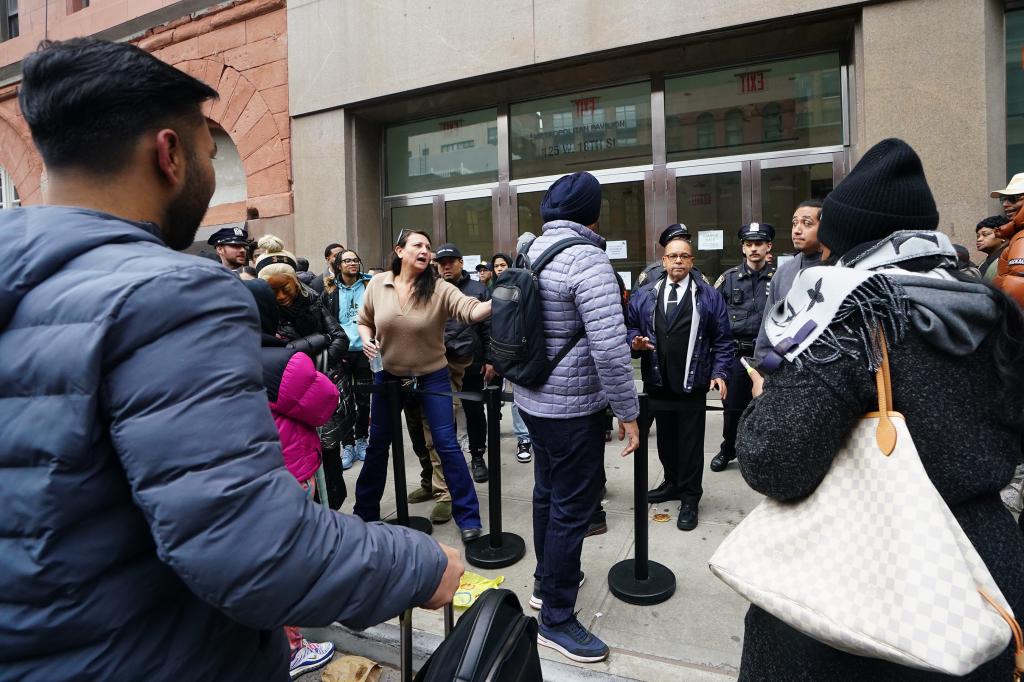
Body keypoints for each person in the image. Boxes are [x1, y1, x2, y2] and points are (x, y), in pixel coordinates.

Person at [0, 37, 464, 680]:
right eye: (208, 150)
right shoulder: (172, 293)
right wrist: (418, 564)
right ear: (169, 154)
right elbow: (251, 548)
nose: (212, 168)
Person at [739, 138, 1024, 680]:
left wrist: (764, 400)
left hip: (871, 591)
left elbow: (773, 462)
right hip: (986, 578)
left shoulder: (859, 314)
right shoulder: (987, 303)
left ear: (846, 237)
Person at [514, 171, 640, 663]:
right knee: (572, 508)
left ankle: (547, 585)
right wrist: (628, 412)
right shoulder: (588, 259)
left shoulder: (532, 252)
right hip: (571, 410)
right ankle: (556, 620)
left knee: (548, 494)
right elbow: (610, 350)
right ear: (592, 214)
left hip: (532, 401)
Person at [355, 230, 492, 544]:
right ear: (400, 251)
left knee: (447, 443)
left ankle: (469, 517)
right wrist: (366, 340)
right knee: (378, 444)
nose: (425, 251)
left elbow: (470, 310)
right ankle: (364, 514)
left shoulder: (440, 288)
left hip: (432, 375)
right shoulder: (378, 284)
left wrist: (498, 301)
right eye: (418, 245)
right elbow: (364, 320)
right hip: (388, 376)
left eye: (428, 247)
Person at [627, 229, 732, 530]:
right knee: (666, 441)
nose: (678, 261)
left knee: (690, 443)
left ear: (691, 261)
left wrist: (720, 373)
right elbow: (629, 327)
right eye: (673, 256)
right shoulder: (646, 295)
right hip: (658, 381)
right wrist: (633, 340)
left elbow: (722, 340)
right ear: (663, 260)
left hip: (692, 383)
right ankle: (672, 482)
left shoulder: (708, 296)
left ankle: (690, 496)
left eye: (684, 256)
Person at [259, 344, 340, 677]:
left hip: (255, 474)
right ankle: (293, 649)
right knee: (287, 562)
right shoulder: (281, 362)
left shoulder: (215, 354)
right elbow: (325, 401)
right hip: (289, 471)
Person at [256, 235, 351, 509]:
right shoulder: (265, 317)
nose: (282, 297)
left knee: (332, 464)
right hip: (292, 400)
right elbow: (282, 360)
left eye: (286, 288)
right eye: (273, 292)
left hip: (324, 388)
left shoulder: (313, 301)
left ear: (295, 282)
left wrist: (317, 365)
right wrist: (316, 350)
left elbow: (339, 337)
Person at [710, 223, 776, 472]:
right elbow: (714, 318)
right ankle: (729, 448)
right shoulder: (727, 280)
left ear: (768, 246)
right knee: (733, 409)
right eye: (749, 244)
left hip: (770, 356)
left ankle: (762, 452)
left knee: (768, 407)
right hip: (738, 356)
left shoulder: (779, 278)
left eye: (759, 243)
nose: (754, 248)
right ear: (743, 248)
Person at [434, 243, 495, 483]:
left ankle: (478, 456)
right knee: (441, 414)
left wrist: (490, 360)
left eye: (451, 261)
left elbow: (490, 328)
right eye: (441, 263)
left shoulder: (478, 289)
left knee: (474, 411)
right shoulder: (430, 289)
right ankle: (448, 462)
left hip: (471, 360)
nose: (446, 266)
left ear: (461, 262)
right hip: (438, 363)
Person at [753, 199, 823, 365]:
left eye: (807, 223)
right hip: (786, 368)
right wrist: (761, 370)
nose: (797, 230)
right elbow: (768, 328)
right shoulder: (784, 272)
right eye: (794, 223)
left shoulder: (840, 268)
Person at [321, 248, 373, 468]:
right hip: (341, 353)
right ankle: (348, 444)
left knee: (363, 398)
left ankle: (362, 439)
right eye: (347, 260)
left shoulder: (370, 286)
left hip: (364, 351)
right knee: (343, 400)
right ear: (339, 265)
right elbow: (326, 321)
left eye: (355, 260)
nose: (353, 264)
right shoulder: (330, 291)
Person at [492, 249, 534, 462]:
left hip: (529, 350)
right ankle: (524, 438)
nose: (499, 269)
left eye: (503, 265)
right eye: (496, 266)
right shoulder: (493, 290)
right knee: (516, 397)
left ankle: (531, 436)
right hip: (508, 352)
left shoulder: (528, 283)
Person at [976, 215, 1009, 282]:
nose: (979, 239)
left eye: (985, 234)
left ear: (1003, 236)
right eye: (978, 236)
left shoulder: (1010, 258)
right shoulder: (984, 263)